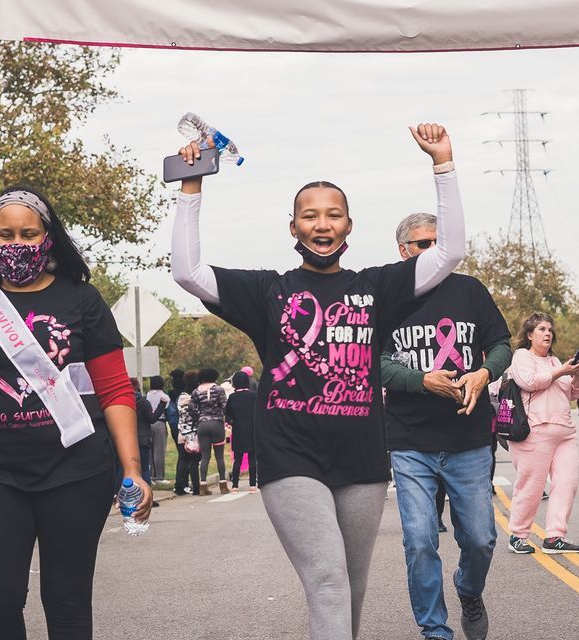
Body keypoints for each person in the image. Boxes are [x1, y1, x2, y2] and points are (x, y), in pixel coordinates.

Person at [171, 123, 465, 640]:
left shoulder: (377, 287)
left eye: (333, 215)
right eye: (310, 215)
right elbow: (188, 271)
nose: (322, 224)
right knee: (327, 581)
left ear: (349, 226)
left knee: (350, 586)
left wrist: (442, 164)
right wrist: (192, 186)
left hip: (361, 459)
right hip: (291, 457)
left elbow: (449, 254)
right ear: (294, 228)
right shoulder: (268, 291)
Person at [0, 185, 151, 640]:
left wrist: (133, 470)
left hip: (78, 470)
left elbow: (115, 389)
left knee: (66, 598)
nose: (16, 244)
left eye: (28, 233)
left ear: (48, 237)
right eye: (5, 235)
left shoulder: (82, 300)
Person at [380, 211, 511, 640]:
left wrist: (485, 373)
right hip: (410, 440)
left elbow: (501, 344)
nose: (434, 250)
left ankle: (469, 592)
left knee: (480, 539)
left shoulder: (470, 290)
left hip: (469, 438)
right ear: (403, 251)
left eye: (440, 242)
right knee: (420, 541)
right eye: (423, 244)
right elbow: (373, 363)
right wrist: (420, 380)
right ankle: (435, 631)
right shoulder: (386, 297)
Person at [507, 313, 579, 555]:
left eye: (550, 329)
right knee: (531, 486)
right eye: (541, 329)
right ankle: (518, 535)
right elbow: (529, 382)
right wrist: (560, 372)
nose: (548, 333)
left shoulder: (555, 361)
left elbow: (572, 395)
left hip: (564, 432)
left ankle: (555, 537)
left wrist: (574, 376)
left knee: (567, 483)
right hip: (534, 431)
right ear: (530, 335)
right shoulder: (522, 357)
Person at [187, 368, 229, 495]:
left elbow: (191, 408)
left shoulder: (195, 391)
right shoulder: (219, 390)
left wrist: (199, 417)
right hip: (217, 423)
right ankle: (223, 485)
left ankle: (203, 486)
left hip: (202, 425)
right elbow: (225, 406)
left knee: (205, 456)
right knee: (219, 456)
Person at [225, 370, 257, 492]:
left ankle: (235, 485)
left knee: (237, 459)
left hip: (238, 429)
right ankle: (253, 485)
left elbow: (228, 415)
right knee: (252, 458)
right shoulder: (254, 396)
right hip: (252, 429)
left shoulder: (232, 397)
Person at [172, 370, 201, 495]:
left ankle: (179, 486)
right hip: (194, 432)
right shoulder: (196, 397)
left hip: (182, 431)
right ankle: (196, 487)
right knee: (194, 460)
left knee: (183, 459)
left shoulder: (181, 397)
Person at [146, 375, 171, 481]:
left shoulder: (147, 395)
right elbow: (167, 410)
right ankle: (159, 476)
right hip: (160, 422)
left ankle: (151, 474)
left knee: (150, 451)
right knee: (159, 451)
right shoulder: (165, 396)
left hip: (148, 424)